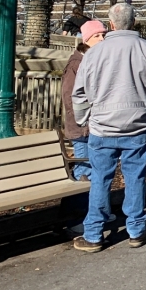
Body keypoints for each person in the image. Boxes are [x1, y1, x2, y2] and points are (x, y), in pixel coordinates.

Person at [71, 3, 146, 252]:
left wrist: (83, 119)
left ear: (111, 24)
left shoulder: (94, 53)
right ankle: (136, 230)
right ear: (133, 22)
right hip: (137, 125)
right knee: (135, 178)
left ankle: (94, 234)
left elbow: (79, 93)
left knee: (100, 179)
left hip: (102, 126)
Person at [60, 19, 107, 180]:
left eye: (103, 35)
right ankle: (77, 204)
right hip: (81, 127)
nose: (102, 39)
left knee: (93, 167)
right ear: (86, 39)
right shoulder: (76, 63)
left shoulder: (94, 59)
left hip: (94, 125)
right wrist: (82, 121)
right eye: (97, 36)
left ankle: (87, 203)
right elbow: (69, 96)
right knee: (84, 169)